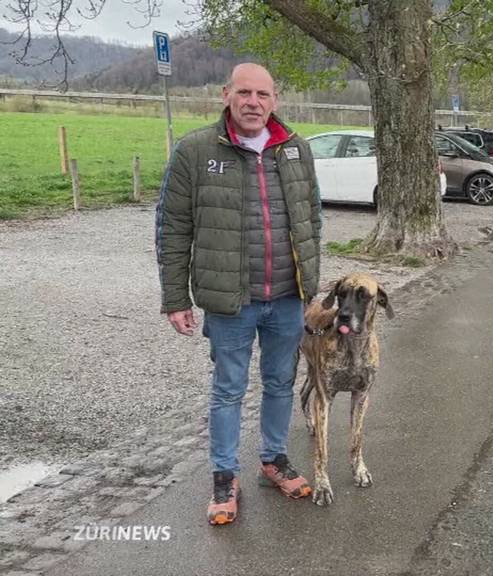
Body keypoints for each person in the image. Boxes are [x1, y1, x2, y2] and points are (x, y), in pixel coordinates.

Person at [155, 63, 322, 526]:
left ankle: (273, 459)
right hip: (231, 299)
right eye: (244, 92)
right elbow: (172, 227)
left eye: (263, 94)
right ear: (226, 94)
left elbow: (312, 221)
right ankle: (224, 476)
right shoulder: (195, 151)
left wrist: (311, 286)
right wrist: (175, 298)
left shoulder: (295, 150)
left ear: (276, 100)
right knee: (228, 390)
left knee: (279, 383)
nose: (253, 102)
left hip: (287, 298)